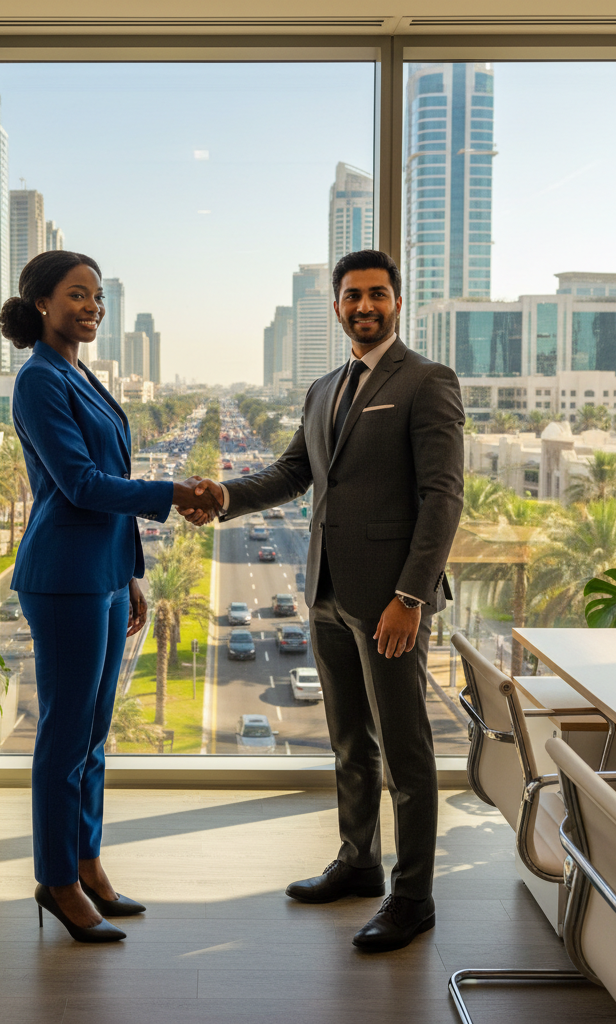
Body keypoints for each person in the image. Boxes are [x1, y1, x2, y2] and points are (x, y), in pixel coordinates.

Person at [184, 249, 464, 952]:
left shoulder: (427, 382)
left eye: (376, 294)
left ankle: (414, 897)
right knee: (349, 744)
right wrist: (223, 497)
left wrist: (412, 596)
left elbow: (442, 499)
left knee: (407, 753)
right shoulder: (323, 388)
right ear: (335, 307)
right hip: (327, 594)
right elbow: (292, 473)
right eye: (351, 296)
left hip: (390, 602)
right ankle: (359, 862)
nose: (363, 306)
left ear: (398, 302)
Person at [0, 251, 218, 944]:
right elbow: (82, 484)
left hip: (101, 575)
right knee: (63, 738)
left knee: (92, 738)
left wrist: (129, 574)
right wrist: (173, 494)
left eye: (97, 297)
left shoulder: (76, 369)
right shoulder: (38, 378)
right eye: (77, 295)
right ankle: (56, 880)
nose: (91, 306)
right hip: (63, 576)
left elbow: (104, 478)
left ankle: (88, 864)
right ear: (41, 302)